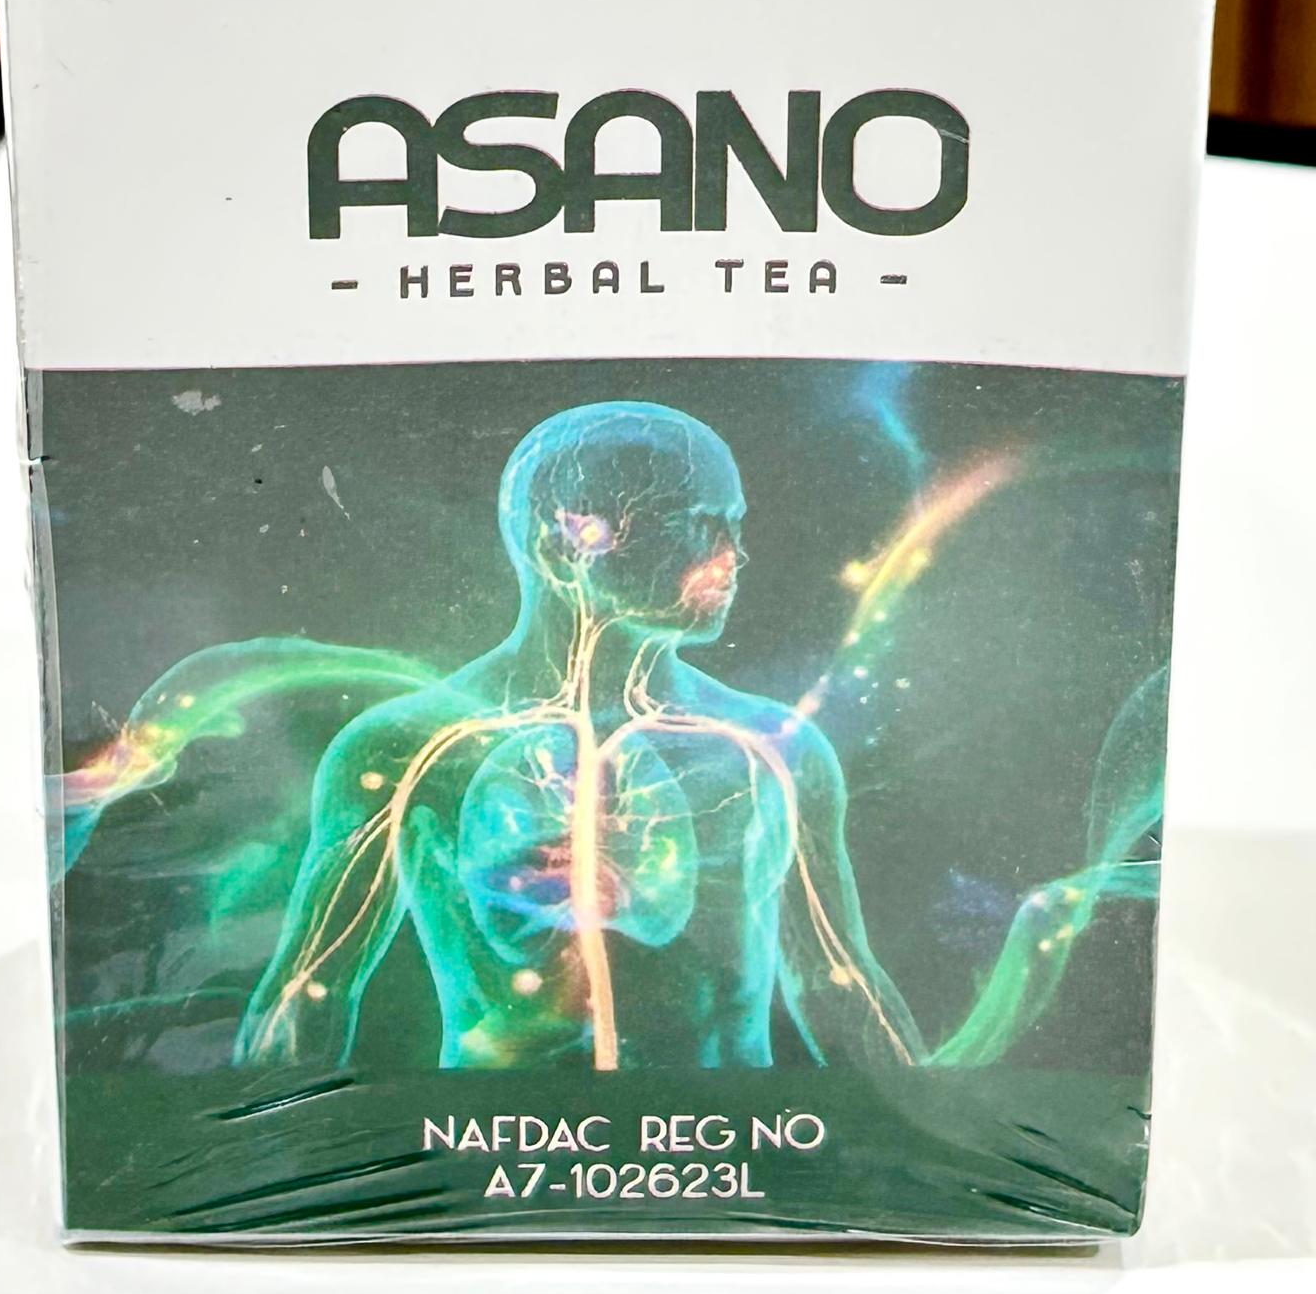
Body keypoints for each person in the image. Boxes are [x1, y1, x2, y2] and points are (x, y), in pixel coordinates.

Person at [236, 399, 920, 1073]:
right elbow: (311, 989)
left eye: (733, 524)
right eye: (696, 524)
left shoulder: (771, 750)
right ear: (567, 538)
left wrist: (925, 1131)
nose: (732, 555)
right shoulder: (408, 748)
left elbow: (837, 980)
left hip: (717, 1138)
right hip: (495, 1139)